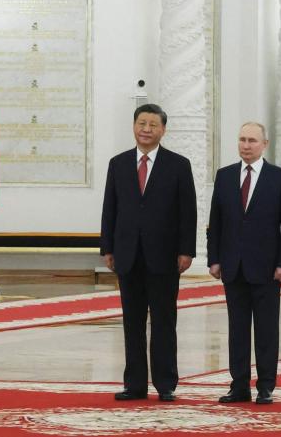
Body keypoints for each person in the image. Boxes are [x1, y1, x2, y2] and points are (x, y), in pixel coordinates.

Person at [100, 103, 197, 402]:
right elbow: (110, 209)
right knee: (132, 322)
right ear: (133, 126)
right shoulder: (118, 164)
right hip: (127, 254)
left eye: (153, 125)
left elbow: (188, 211)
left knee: (164, 321)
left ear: (163, 130)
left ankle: (166, 383)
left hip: (165, 256)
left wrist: (187, 251)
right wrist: (108, 248)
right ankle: (135, 384)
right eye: (142, 123)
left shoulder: (178, 165)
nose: (146, 129)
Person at [207, 122, 281, 405]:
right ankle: (239, 385)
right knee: (237, 328)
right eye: (242, 139)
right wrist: (214, 259)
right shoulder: (224, 176)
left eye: (252, 141)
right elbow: (216, 222)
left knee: (266, 329)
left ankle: (266, 386)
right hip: (233, 266)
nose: (246, 145)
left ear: (264, 144)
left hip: (268, 267)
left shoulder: (280, 178)